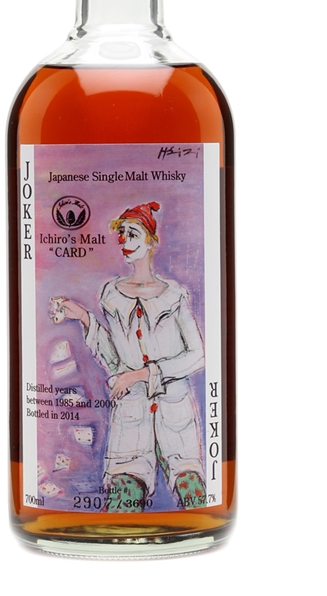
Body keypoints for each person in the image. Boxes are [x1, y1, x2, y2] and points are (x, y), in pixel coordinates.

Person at [51, 201, 206, 512]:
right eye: (121, 233)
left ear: (150, 241)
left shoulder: (174, 296)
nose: (124, 240)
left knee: (192, 491)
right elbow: (114, 361)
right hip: (131, 414)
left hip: (176, 412)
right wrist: (84, 317)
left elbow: (197, 355)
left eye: (132, 234)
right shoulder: (111, 294)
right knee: (124, 494)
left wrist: (142, 374)